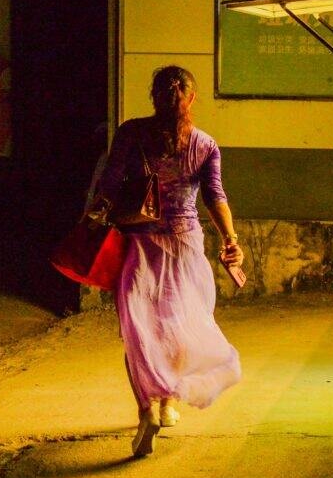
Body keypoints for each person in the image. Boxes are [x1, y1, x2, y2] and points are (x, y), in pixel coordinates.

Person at [95, 65, 243, 456]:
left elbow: (108, 185)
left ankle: (147, 409)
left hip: (140, 245)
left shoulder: (130, 133)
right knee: (177, 326)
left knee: (139, 330)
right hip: (186, 247)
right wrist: (231, 239)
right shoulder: (205, 145)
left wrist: (98, 211)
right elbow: (215, 196)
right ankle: (169, 402)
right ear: (191, 99)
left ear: (154, 98)